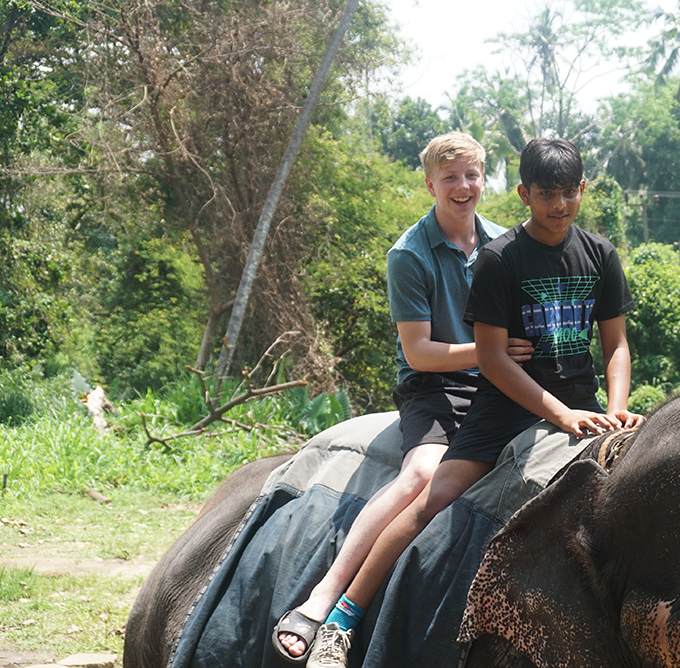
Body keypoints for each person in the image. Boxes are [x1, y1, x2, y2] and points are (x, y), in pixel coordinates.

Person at [303, 137, 643, 668]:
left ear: (584, 190)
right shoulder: (500, 258)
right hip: (506, 406)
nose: (559, 206)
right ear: (525, 194)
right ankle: (346, 612)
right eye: (547, 194)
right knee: (431, 498)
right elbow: (492, 358)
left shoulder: (600, 253)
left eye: (569, 193)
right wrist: (560, 415)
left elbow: (615, 344)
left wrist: (617, 407)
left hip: (583, 402)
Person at [272, 132, 534, 663]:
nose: (463, 187)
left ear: (485, 179)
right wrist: (492, 352)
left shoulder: (506, 243)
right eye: (450, 177)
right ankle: (328, 595)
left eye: (472, 176)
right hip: (435, 385)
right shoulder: (409, 255)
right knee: (421, 475)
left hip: (495, 378)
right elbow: (419, 354)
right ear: (430, 182)